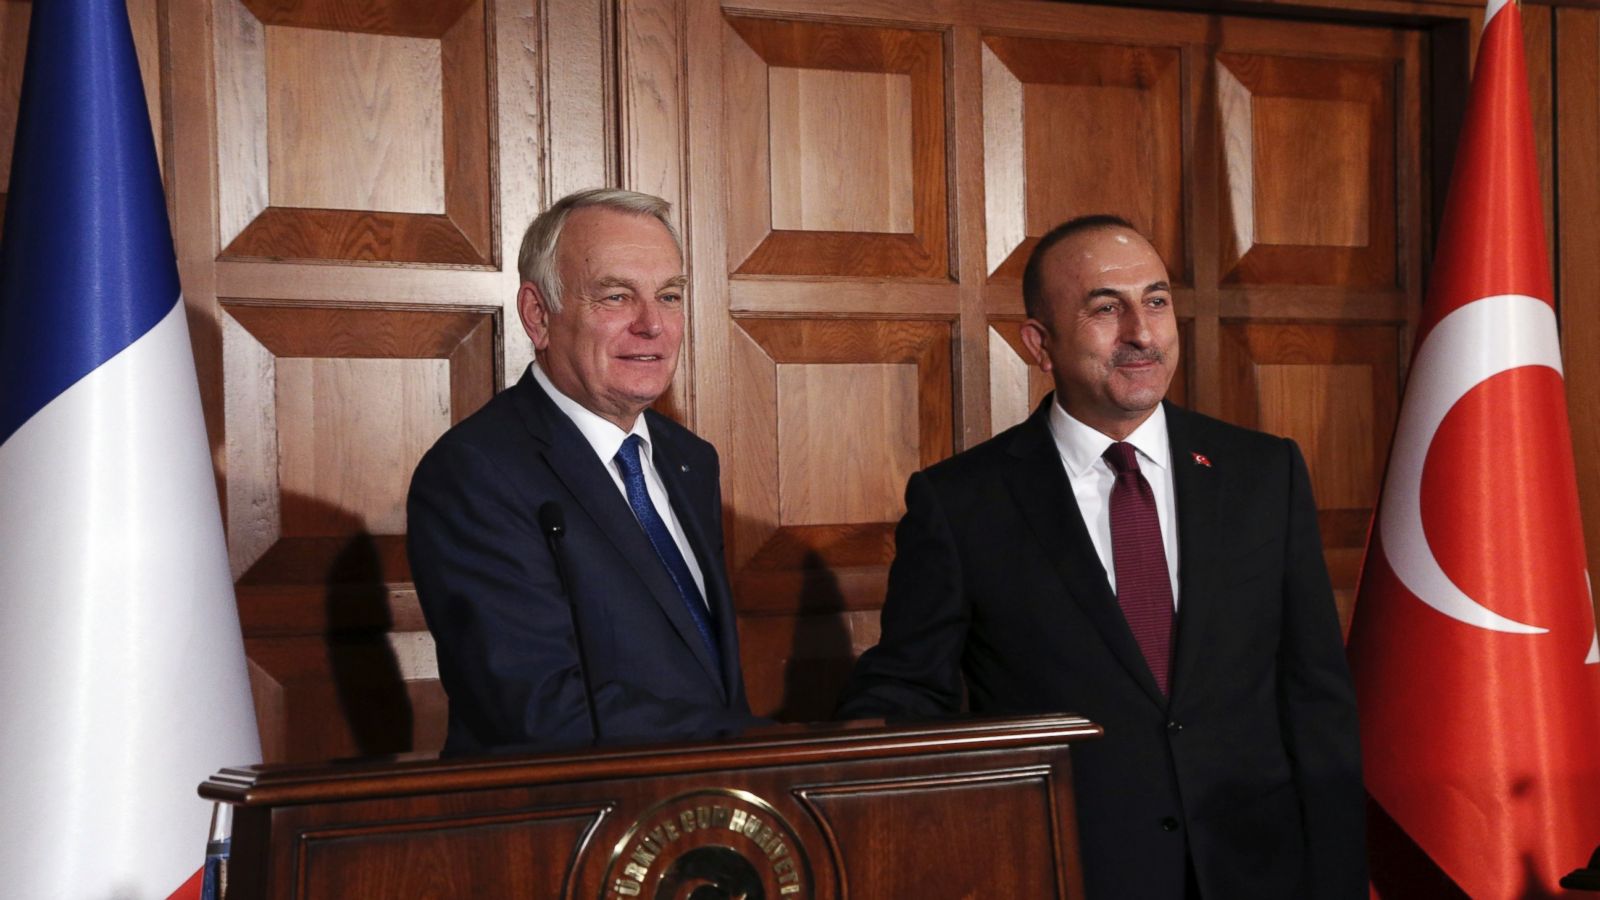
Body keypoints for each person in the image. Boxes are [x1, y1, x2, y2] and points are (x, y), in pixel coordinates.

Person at [836, 215, 1364, 898]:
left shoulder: (1264, 472)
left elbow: (1316, 696)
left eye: (1156, 301)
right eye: (1106, 308)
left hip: (1257, 872)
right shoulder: (962, 503)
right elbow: (911, 690)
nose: (1142, 333)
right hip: (1069, 874)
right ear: (1040, 343)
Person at [408, 188, 760, 753]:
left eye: (669, 296)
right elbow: (537, 709)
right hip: (570, 805)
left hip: (707, 797)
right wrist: (758, 744)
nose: (652, 325)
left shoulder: (689, 458)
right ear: (538, 315)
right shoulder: (475, 472)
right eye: (616, 296)